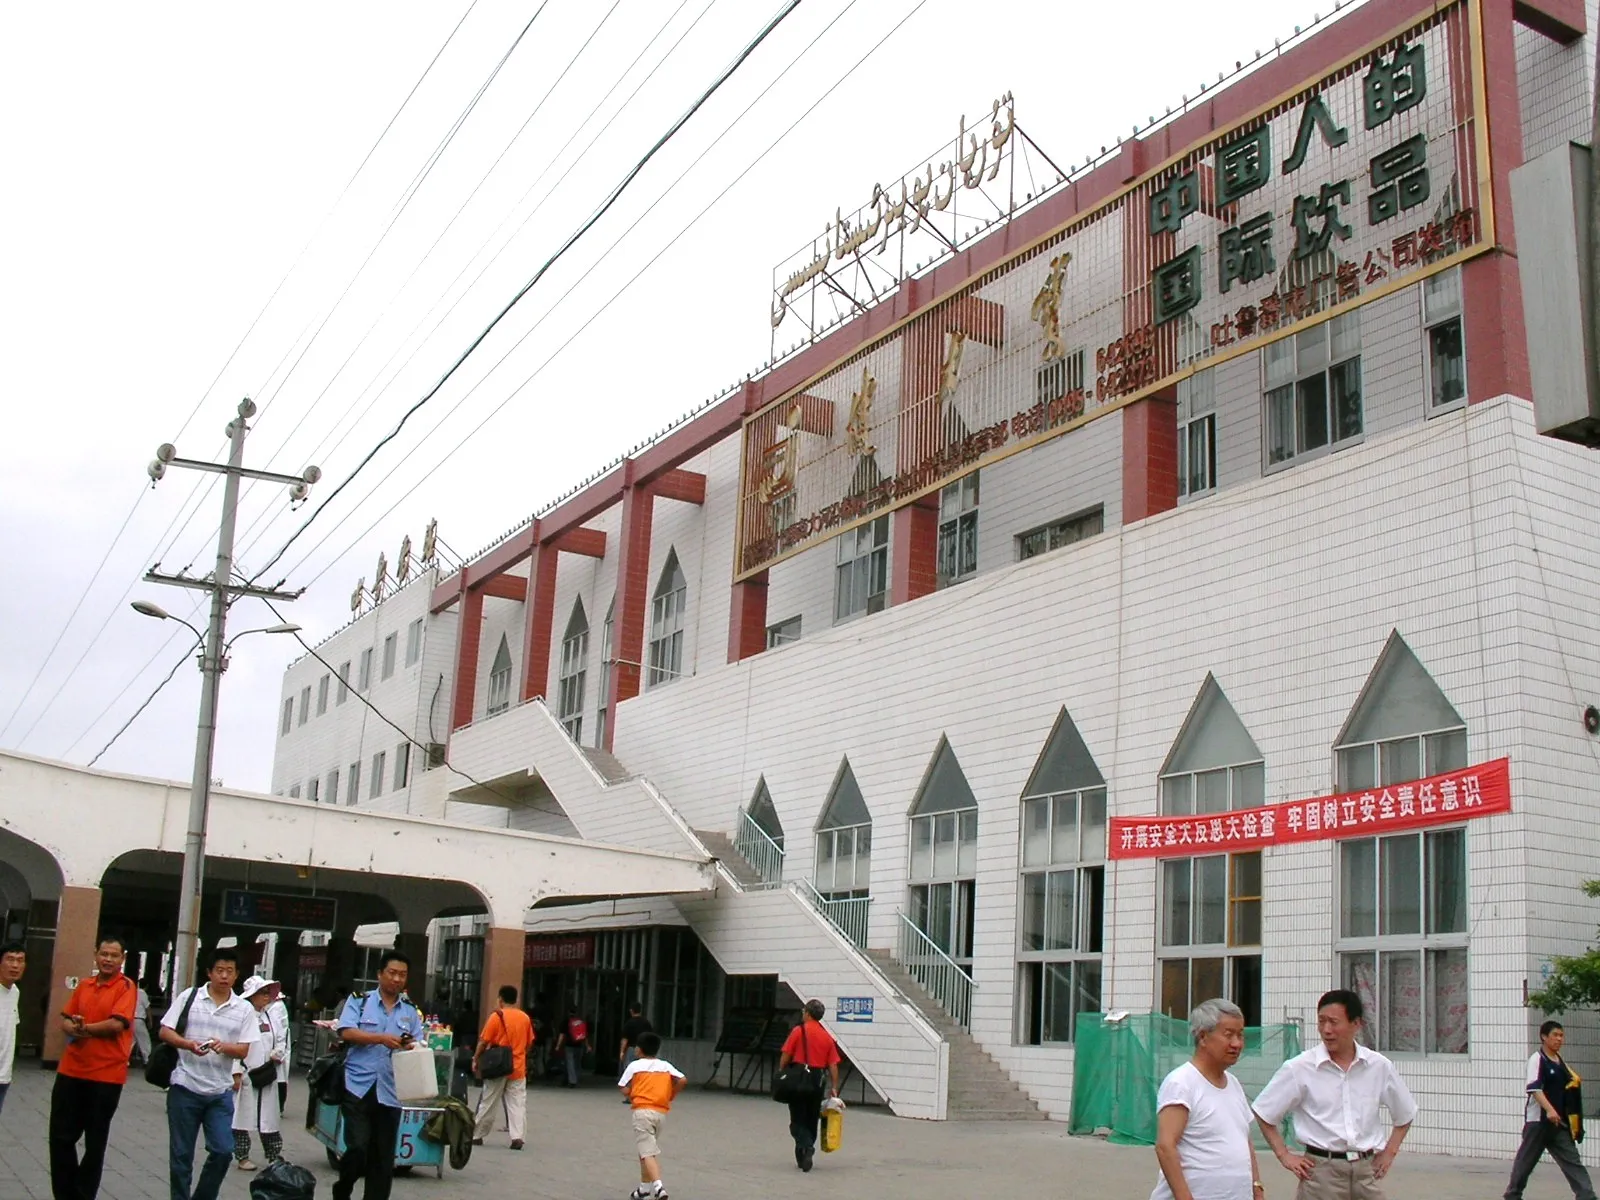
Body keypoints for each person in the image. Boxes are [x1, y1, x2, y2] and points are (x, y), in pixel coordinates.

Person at [1253, 988, 1417, 1200]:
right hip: (1321, 1173)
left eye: (1333, 1022)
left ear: (1356, 1024)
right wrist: (1284, 1155)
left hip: (1366, 1173)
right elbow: (1264, 1112)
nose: (1326, 1030)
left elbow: (1405, 1112)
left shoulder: (1378, 1066)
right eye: (1321, 1022)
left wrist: (1389, 1152)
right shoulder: (1300, 1067)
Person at [160, 946, 258, 1200]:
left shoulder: (244, 1009)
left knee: (224, 1150)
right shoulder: (190, 997)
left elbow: (243, 1050)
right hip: (185, 1087)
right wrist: (188, 1044)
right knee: (181, 1155)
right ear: (209, 972)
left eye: (229, 971)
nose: (224, 976)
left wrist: (223, 1047)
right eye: (219, 970)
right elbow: (165, 1031)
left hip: (220, 1092)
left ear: (237, 975)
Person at [49, 934, 137, 1200]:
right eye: (104, 954)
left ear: (122, 959)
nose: (108, 960)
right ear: (96, 955)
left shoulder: (126, 987)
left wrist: (84, 1029)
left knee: (94, 1143)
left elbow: (116, 1024)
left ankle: (84, 1194)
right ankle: (65, 1194)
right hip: (71, 1071)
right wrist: (73, 1027)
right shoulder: (85, 985)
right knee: (60, 1138)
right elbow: (65, 1019)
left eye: (114, 955)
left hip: (106, 1077)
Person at [333, 949, 424, 1200]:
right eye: (392, 973)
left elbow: (418, 1043)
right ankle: (343, 1188)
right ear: (380, 974)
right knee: (358, 1148)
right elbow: (347, 1032)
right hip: (358, 1086)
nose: (397, 979)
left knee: (383, 1159)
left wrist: (410, 1045)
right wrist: (381, 1038)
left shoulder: (410, 1010)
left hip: (390, 1090)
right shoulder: (359, 1000)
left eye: (402, 975)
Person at [1152, 998, 1263, 1200]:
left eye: (1240, 1035)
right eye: (1228, 1035)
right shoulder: (1182, 1083)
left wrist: (1256, 1187)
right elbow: (1165, 1146)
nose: (1237, 1044)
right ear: (1203, 1037)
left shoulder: (1234, 1084)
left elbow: (1245, 1142)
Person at [1504, 1020, 1597, 1200]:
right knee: (1525, 1162)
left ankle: (1587, 1196)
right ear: (1544, 1037)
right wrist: (1549, 1110)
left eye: (1561, 1035)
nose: (1559, 1039)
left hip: (1559, 1124)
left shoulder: (1560, 1062)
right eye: (1555, 1035)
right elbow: (1534, 1088)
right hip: (1538, 1123)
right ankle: (1513, 1195)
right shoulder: (1537, 1059)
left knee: (1573, 1162)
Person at [618, 1030, 686, 1200]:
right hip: (660, 1113)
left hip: (642, 1112)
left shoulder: (634, 1066)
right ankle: (643, 1189)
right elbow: (683, 1080)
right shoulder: (665, 1065)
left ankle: (659, 1187)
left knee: (647, 1152)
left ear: (639, 1050)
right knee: (646, 1150)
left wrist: (633, 1094)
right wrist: (671, 1094)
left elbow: (622, 1086)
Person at [231, 977, 288, 1170]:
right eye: (262, 992)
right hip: (247, 1073)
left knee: (269, 1118)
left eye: (267, 993)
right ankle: (242, 1156)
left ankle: (273, 1155)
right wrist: (236, 1073)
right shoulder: (241, 1016)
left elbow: (281, 1038)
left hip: (267, 1073)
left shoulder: (270, 1015)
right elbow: (234, 1045)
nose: (266, 996)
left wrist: (278, 1052)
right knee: (242, 1116)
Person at [777, 999, 841, 1172]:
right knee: (812, 1117)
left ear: (807, 1013)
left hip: (799, 1078)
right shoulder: (826, 1036)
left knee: (797, 1118)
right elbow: (833, 1065)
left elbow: (786, 1055)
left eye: (804, 1010)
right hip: (818, 1080)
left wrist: (781, 1071)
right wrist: (834, 1087)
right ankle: (805, 1150)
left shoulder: (798, 1031)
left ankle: (806, 1146)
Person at [471, 984, 535, 1150]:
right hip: (518, 1066)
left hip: (497, 1067)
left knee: (489, 1100)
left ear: (500, 999)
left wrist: (476, 1058)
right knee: (517, 1103)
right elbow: (529, 1043)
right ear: (516, 999)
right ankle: (517, 1137)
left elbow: (484, 1041)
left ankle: (477, 1134)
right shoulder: (525, 1018)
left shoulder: (496, 1016)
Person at [0, 940, 24, 1117]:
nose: (15, 965)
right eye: (10, 959)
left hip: (3, 1075)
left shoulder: (15, 991)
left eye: (20, 960)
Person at [266, 989, 292, 1115]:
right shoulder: (276, 1006)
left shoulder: (276, 1008)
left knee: (279, 1076)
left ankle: (278, 1106)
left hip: (278, 1045)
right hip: (279, 1044)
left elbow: (277, 1030)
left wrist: (277, 1050)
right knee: (281, 1076)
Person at [554, 1006, 590, 1088]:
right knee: (577, 1063)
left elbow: (562, 1035)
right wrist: (587, 1046)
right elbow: (584, 1035)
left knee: (570, 1063)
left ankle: (572, 1081)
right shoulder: (580, 1022)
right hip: (579, 1045)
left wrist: (558, 1046)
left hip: (569, 1045)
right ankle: (574, 1079)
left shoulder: (566, 1022)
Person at [619, 1002, 653, 1080]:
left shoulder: (629, 1023)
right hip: (644, 1049)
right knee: (642, 1069)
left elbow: (625, 1039)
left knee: (630, 1068)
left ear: (631, 1011)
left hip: (632, 1049)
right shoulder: (646, 1023)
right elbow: (650, 1037)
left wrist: (622, 1052)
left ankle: (632, 1084)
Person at [131, 977, 152, 1067]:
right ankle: (147, 1060)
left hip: (130, 1019)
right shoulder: (143, 993)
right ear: (147, 986)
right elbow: (147, 1008)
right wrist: (150, 1021)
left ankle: (124, 1060)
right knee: (145, 1040)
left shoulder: (133, 992)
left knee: (131, 1041)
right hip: (139, 1019)